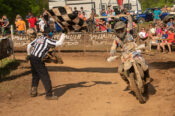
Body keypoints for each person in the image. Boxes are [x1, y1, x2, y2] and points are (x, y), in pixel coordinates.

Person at [27, 31, 66, 100]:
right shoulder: (47, 40)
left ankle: (33, 91)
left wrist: (29, 55)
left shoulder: (38, 39)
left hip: (32, 58)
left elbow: (29, 46)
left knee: (35, 75)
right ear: (48, 35)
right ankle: (49, 95)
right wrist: (64, 34)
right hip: (38, 59)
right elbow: (59, 43)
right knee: (45, 77)